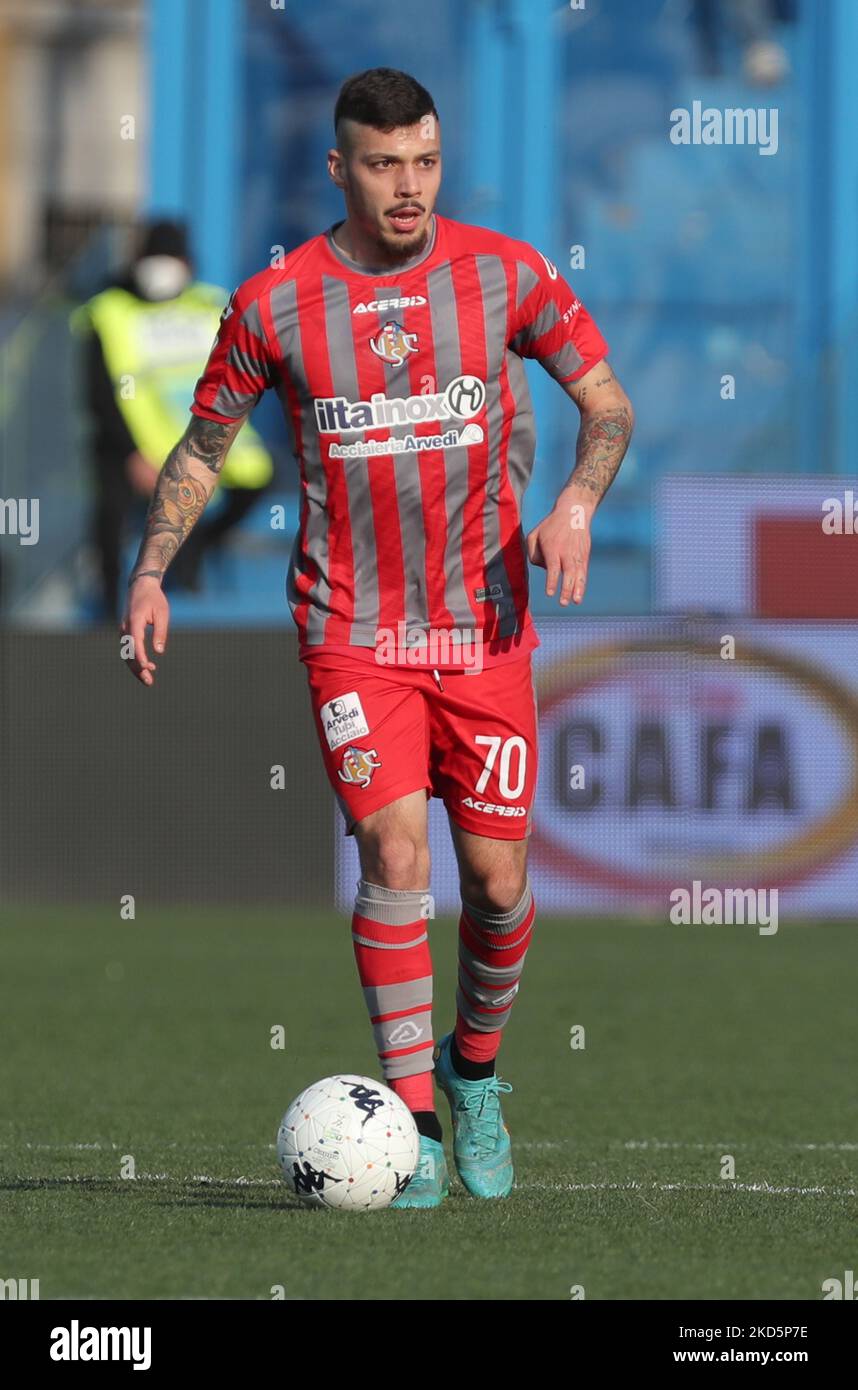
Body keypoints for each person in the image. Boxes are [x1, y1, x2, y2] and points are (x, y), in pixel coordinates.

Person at [122, 69, 634, 1207]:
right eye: (384, 164)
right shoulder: (275, 302)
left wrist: (577, 505)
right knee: (396, 857)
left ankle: (476, 1073)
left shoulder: (505, 274)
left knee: (497, 884)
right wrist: (152, 569)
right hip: (352, 632)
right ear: (339, 169)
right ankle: (412, 1128)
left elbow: (608, 405)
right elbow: (204, 446)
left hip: (486, 631)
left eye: (425, 162)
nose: (408, 187)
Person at [75, 218, 273, 618]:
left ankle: (194, 552)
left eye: (170, 259)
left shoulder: (211, 303)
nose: (161, 269)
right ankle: (108, 611)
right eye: (153, 258)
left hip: (204, 434)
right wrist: (133, 454)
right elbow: (98, 395)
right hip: (134, 443)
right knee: (110, 507)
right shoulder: (109, 310)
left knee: (258, 478)